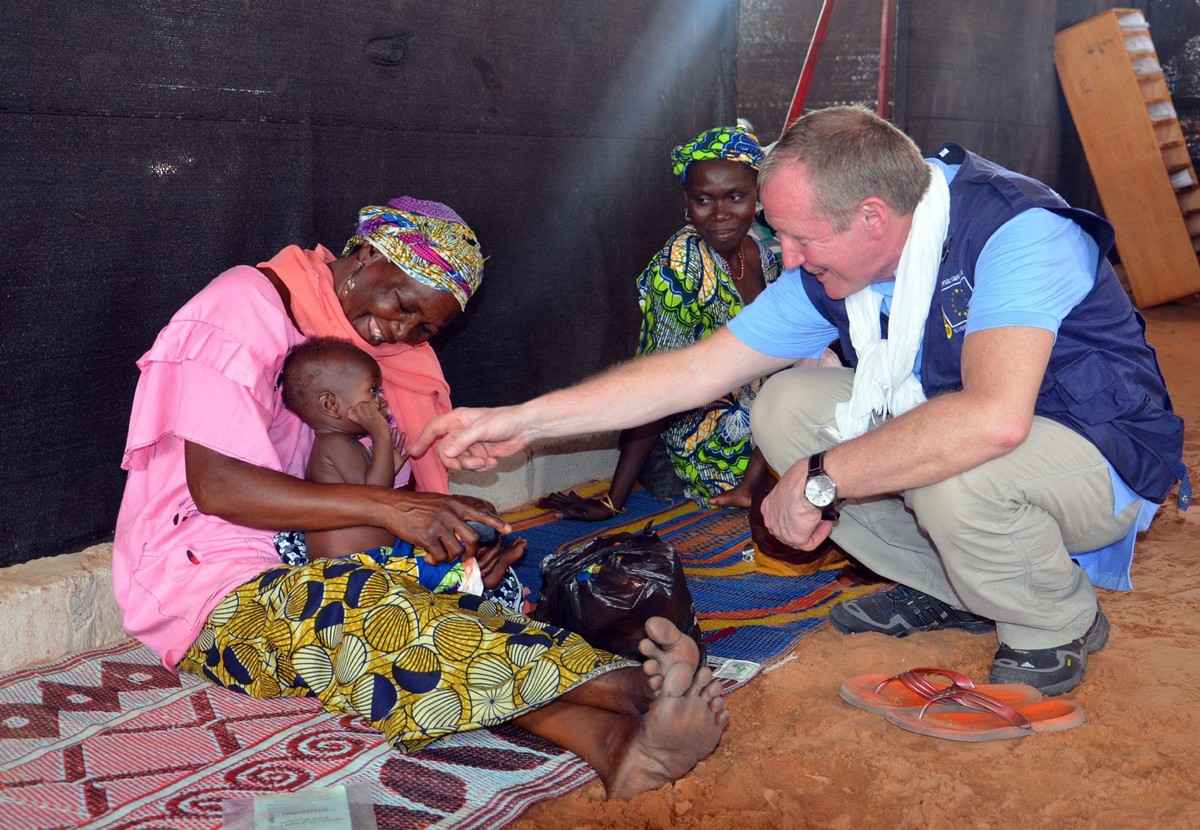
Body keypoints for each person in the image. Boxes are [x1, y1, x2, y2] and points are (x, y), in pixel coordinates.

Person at [413, 107, 1189, 697]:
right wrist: (521, 420)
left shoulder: (1019, 233)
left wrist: (823, 477)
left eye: (800, 238)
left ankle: (1057, 622)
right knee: (785, 405)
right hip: (984, 441)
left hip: (1096, 452)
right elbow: (695, 372)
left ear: (874, 217)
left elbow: (991, 419)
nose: (786, 257)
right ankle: (956, 589)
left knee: (954, 464)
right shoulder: (834, 268)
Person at [112, 196, 730, 799]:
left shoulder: (384, 354)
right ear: (363, 255)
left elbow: (386, 499)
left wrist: (456, 538)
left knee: (446, 609)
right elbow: (219, 487)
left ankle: (613, 747)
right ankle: (634, 691)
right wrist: (393, 511)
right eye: (402, 302)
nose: (400, 329)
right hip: (210, 583)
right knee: (367, 609)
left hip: (322, 560)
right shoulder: (241, 307)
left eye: (422, 326)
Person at [540, 124, 784, 522]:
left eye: (735, 197)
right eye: (703, 199)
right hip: (715, 436)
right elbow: (658, 383)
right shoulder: (678, 270)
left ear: (758, 197)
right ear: (686, 203)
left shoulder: (765, 252)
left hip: (770, 415)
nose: (720, 214)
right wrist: (612, 499)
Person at [279, 335, 487, 596]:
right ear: (331, 405)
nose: (383, 400)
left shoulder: (344, 444)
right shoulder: (334, 444)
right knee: (450, 570)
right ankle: (481, 579)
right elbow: (376, 495)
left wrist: (390, 462)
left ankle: (480, 573)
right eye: (373, 390)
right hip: (355, 571)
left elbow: (373, 491)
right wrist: (381, 435)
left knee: (445, 547)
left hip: (378, 560)